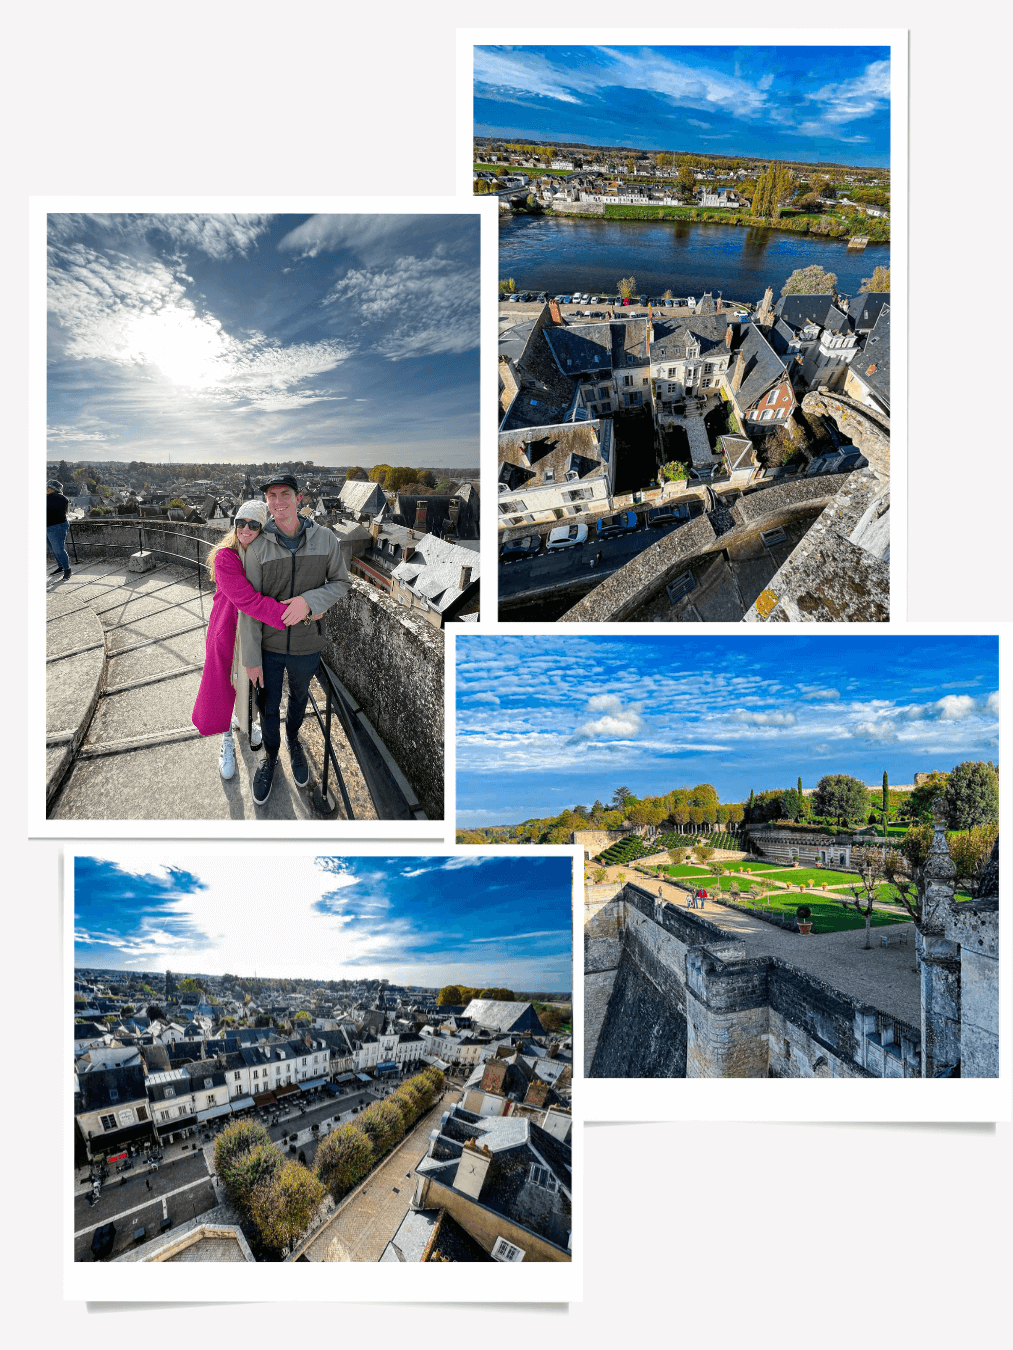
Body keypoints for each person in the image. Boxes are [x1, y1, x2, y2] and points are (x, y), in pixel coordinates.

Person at [239, 475, 349, 805]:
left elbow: (341, 582)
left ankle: (293, 739)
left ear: (298, 498)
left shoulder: (326, 539)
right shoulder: (257, 547)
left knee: (300, 698)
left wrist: (309, 602)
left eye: (285, 494)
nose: (278, 501)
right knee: (267, 705)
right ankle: (271, 757)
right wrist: (251, 657)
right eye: (272, 496)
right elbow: (248, 607)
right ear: (267, 502)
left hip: (307, 643)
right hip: (269, 648)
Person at [191, 500, 294, 781]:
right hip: (227, 629)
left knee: (249, 682)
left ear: (262, 529)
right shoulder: (226, 556)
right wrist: (293, 616)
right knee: (224, 684)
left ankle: (244, 721)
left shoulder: (261, 553)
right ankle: (226, 738)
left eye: (253, 524)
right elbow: (248, 601)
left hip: (253, 632)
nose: (245, 529)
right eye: (240, 523)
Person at [47, 479, 71, 580]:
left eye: (49, 487)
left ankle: (67, 570)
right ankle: (61, 566)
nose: (46, 489)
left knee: (58, 549)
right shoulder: (61, 498)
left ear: (54, 489)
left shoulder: (57, 498)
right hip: (49, 526)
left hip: (56, 526)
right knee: (53, 549)